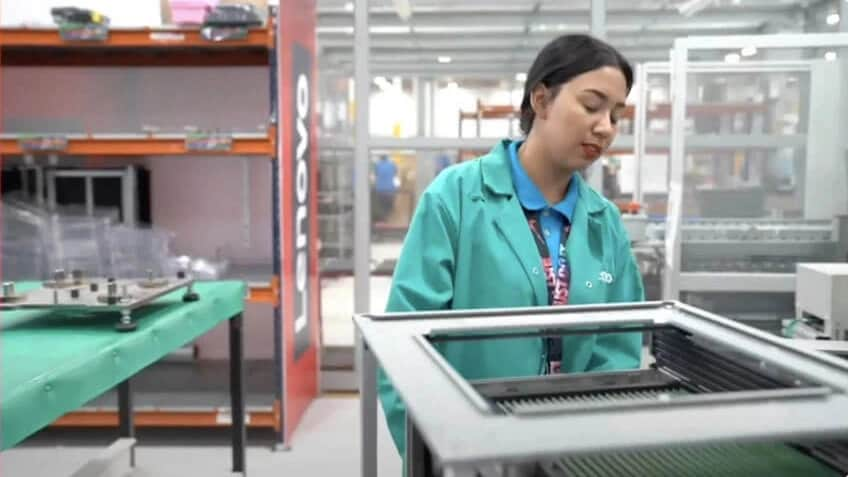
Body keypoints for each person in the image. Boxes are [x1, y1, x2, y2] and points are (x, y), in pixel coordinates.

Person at [378, 34, 645, 457]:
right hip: (467, 449)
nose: (605, 127)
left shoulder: (604, 222)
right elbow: (402, 348)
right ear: (541, 100)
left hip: (573, 453)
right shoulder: (458, 198)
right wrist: (434, 456)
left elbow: (619, 354)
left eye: (616, 115)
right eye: (592, 106)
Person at [372, 154, 399, 223]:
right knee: (389, 206)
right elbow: (395, 174)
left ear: (380, 158)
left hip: (380, 189)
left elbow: (375, 174)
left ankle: (384, 220)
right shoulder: (392, 165)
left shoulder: (377, 165)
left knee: (382, 206)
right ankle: (388, 219)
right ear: (387, 158)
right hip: (390, 189)